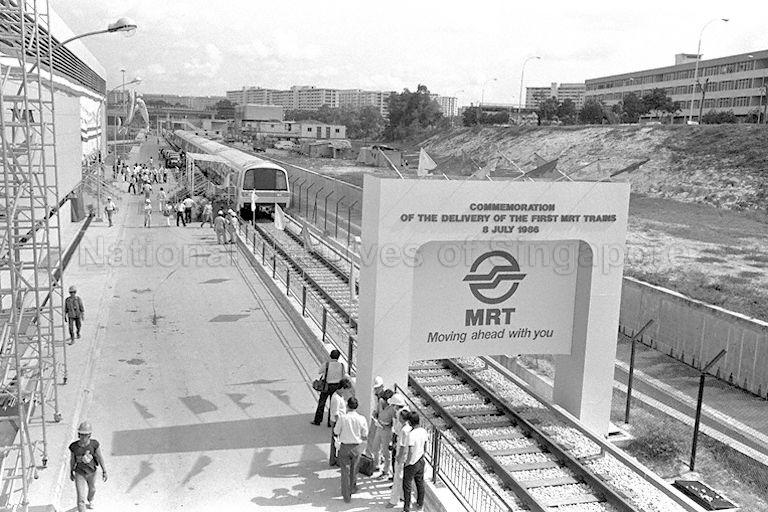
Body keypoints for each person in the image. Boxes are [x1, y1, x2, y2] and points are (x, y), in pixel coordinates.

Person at [333, 397, 368, 503]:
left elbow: (336, 431)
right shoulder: (362, 418)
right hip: (357, 447)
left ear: (347, 406)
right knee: (354, 469)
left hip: (345, 447)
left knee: (345, 471)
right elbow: (365, 434)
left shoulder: (343, 418)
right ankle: (352, 488)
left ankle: (346, 495)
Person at [69, 421, 107, 512]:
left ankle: (90, 499)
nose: (83, 437)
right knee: (80, 497)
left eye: (85, 435)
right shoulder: (74, 447)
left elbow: (100, 457)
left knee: (92, 489)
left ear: (89, 435)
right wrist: (71, 471)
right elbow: (72, 459)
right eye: (81, 434)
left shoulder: (94, 444)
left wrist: (104, 471)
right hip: (79, 473)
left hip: (92, 472)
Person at [312, 349, 346, 426]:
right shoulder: (341, 365)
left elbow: (319, 371)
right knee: (333, 404)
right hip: (336, 386)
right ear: (338, 357)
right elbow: (343, 375)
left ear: (330, 356)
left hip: (326, 386)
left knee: (322, 403)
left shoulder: (326, 364)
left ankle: (317, 420)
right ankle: (330, 422)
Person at [402, 412, 428, 512]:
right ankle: (420, 504)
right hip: (420, 460)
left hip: (412, 463)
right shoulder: (423, 431)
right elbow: (425, 445)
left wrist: (407, 462)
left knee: (407, 486)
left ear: (409, 422)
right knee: (420, 483)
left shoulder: (411, 435)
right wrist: (422, 454)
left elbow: (411, 451)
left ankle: (406, 508)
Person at [387, 407, 412, 509]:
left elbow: (402, 445)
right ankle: (402, 496)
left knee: (397, 479)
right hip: (405, 457)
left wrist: (398, 457)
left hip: (401, 457)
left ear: (402, 418)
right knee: (402, 478)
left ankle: (393, 500)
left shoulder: (404, 430)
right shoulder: (409, 428)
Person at [329, 378, 353, 466]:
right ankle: (338, 461)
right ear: (342, 388)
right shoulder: (336, 398)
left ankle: (334, 459)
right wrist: (340, 425)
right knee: (338, 442)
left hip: (339, 421)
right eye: (346, 389)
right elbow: (336, 413)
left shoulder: (339, 396)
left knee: (336, 441)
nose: (347, 392)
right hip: (337, 422)